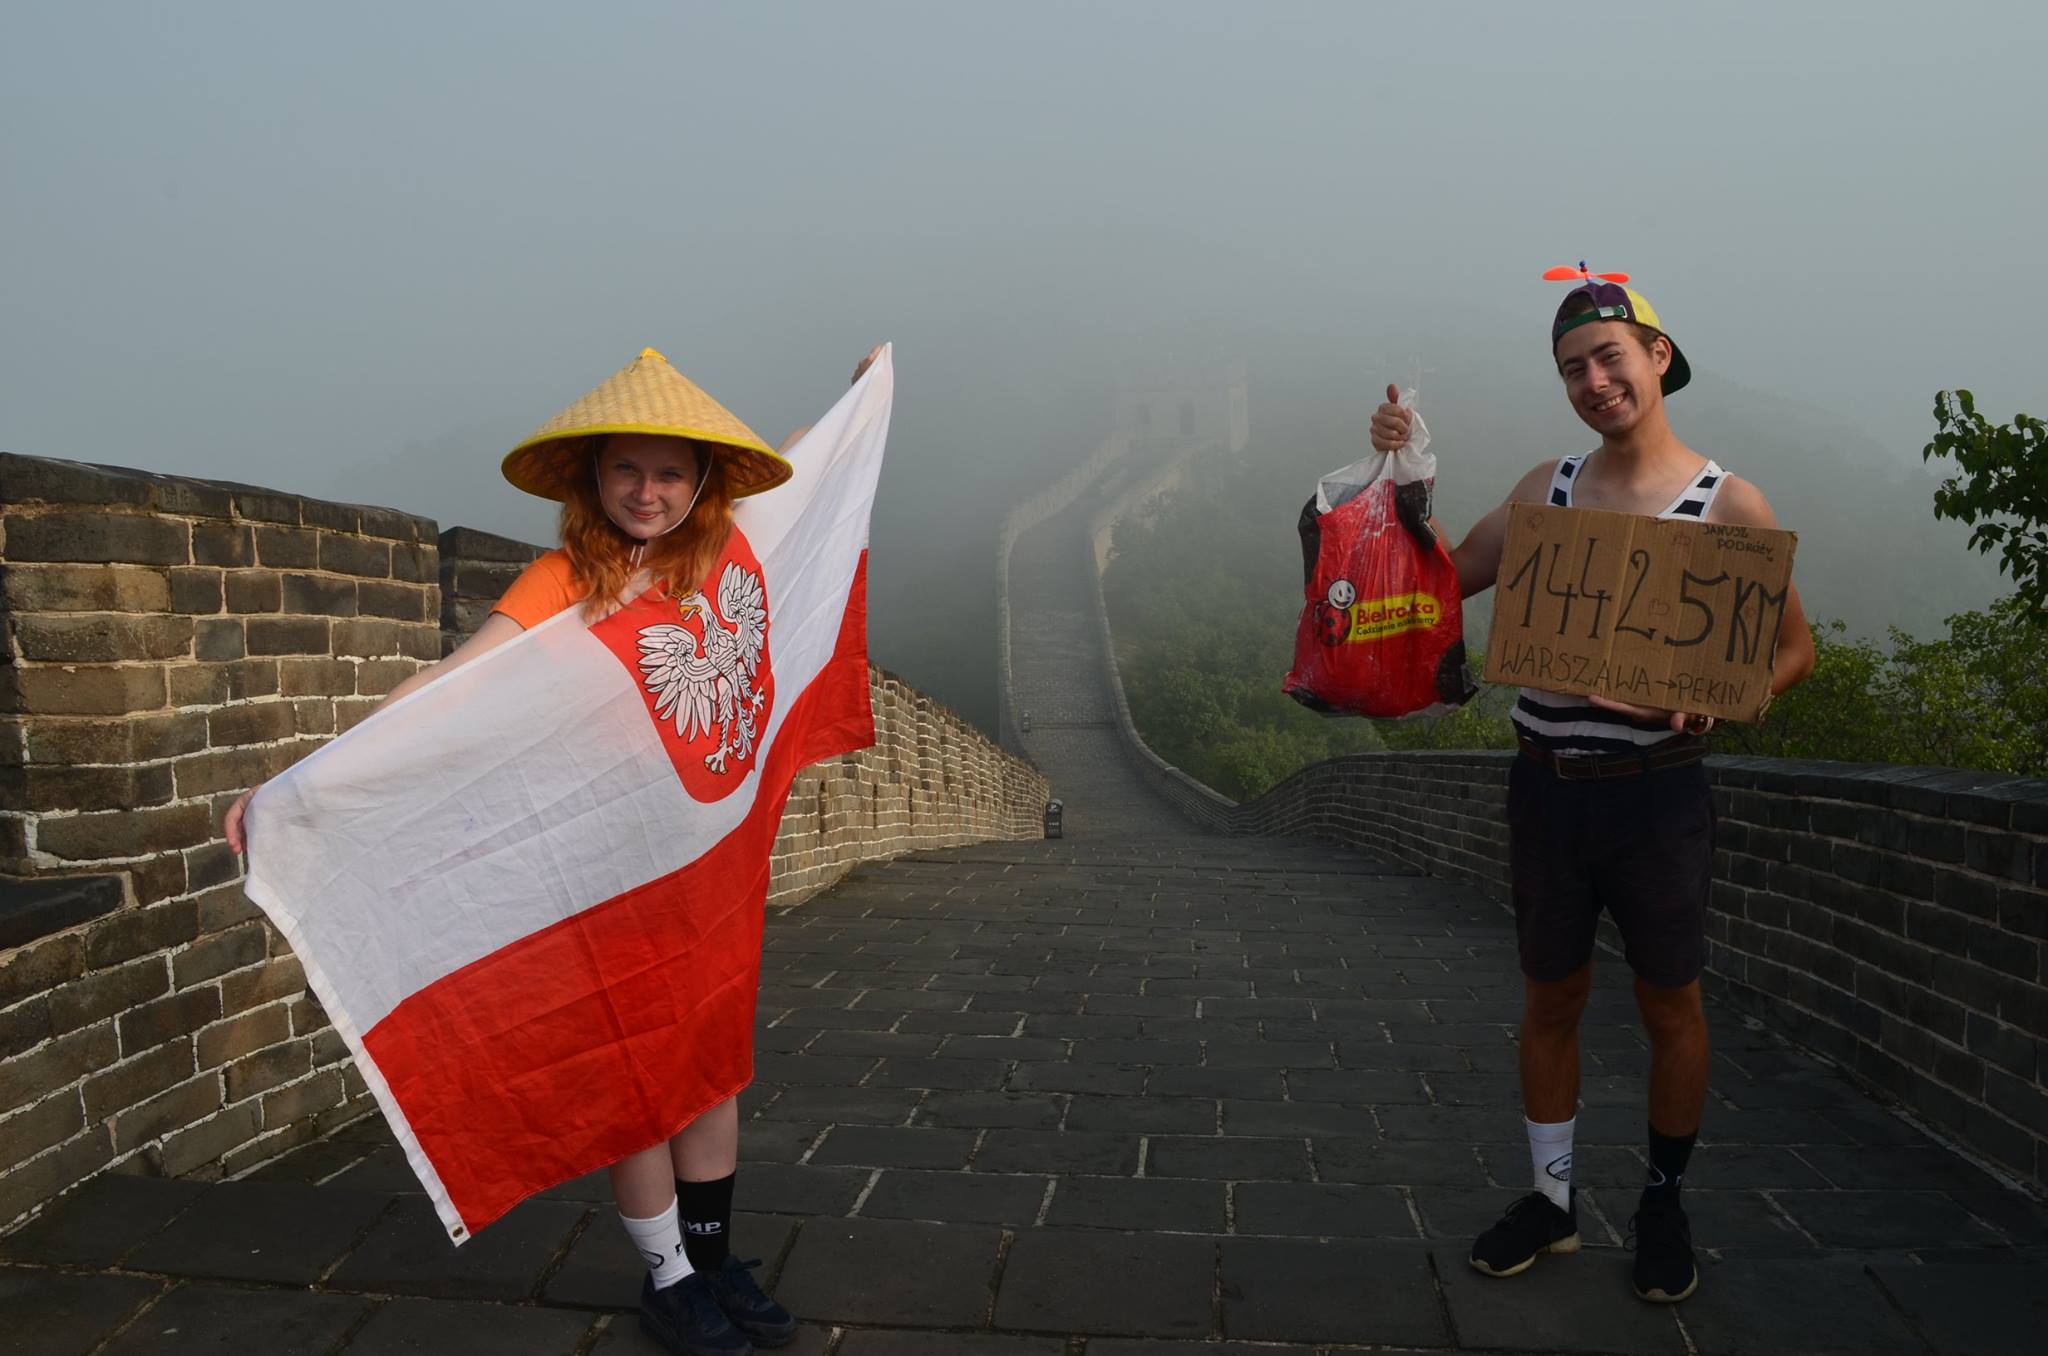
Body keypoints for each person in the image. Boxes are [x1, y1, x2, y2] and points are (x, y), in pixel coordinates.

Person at [228, 343, 880, 1356]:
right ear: (593, 479)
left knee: (710, 1070)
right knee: (638, 1086)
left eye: (669, 472)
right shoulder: (564, 577)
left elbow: (801, 466)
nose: (648, 490)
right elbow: (447, 688)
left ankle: (713, 1265)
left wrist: (857, 396)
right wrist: (293, 785)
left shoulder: (725, 546)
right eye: (627, 470)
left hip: (703, 873)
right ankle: (666, 1277)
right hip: (614, 874)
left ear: (702, 480)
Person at [1366, 278, 1814, 1304]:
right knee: (1549, 997)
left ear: (1658, 356)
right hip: (1545, 788)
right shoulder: (1547, 490)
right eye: (1572, 367)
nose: (1593, 380)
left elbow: (1790, 653)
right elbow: (1436, 578)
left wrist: (1714, 700)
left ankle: (1661, 1200)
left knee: (1670, 1005)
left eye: (1610, 357)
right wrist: (1403, 466)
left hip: (1654, 796)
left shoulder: (1725, 504)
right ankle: (1552, 1200)